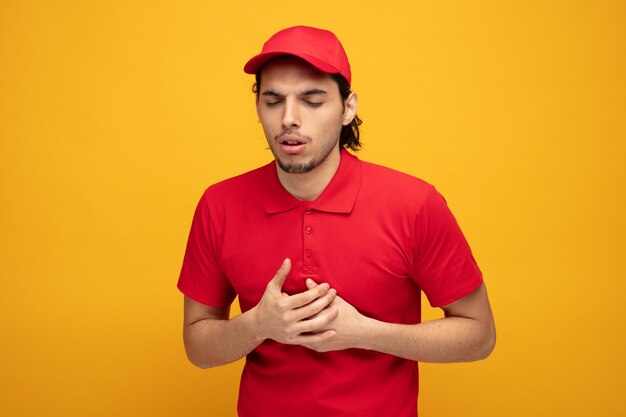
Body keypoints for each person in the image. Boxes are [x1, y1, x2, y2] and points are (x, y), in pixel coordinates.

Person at [178, 25, 495, 417]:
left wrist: (364, 333)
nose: (289, 119)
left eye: (312, 101)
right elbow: (198, 346)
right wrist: (258, 324)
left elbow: (479, 335)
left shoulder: (414, 203)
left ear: (347, 108)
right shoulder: (219, 204)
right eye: (273, 100)